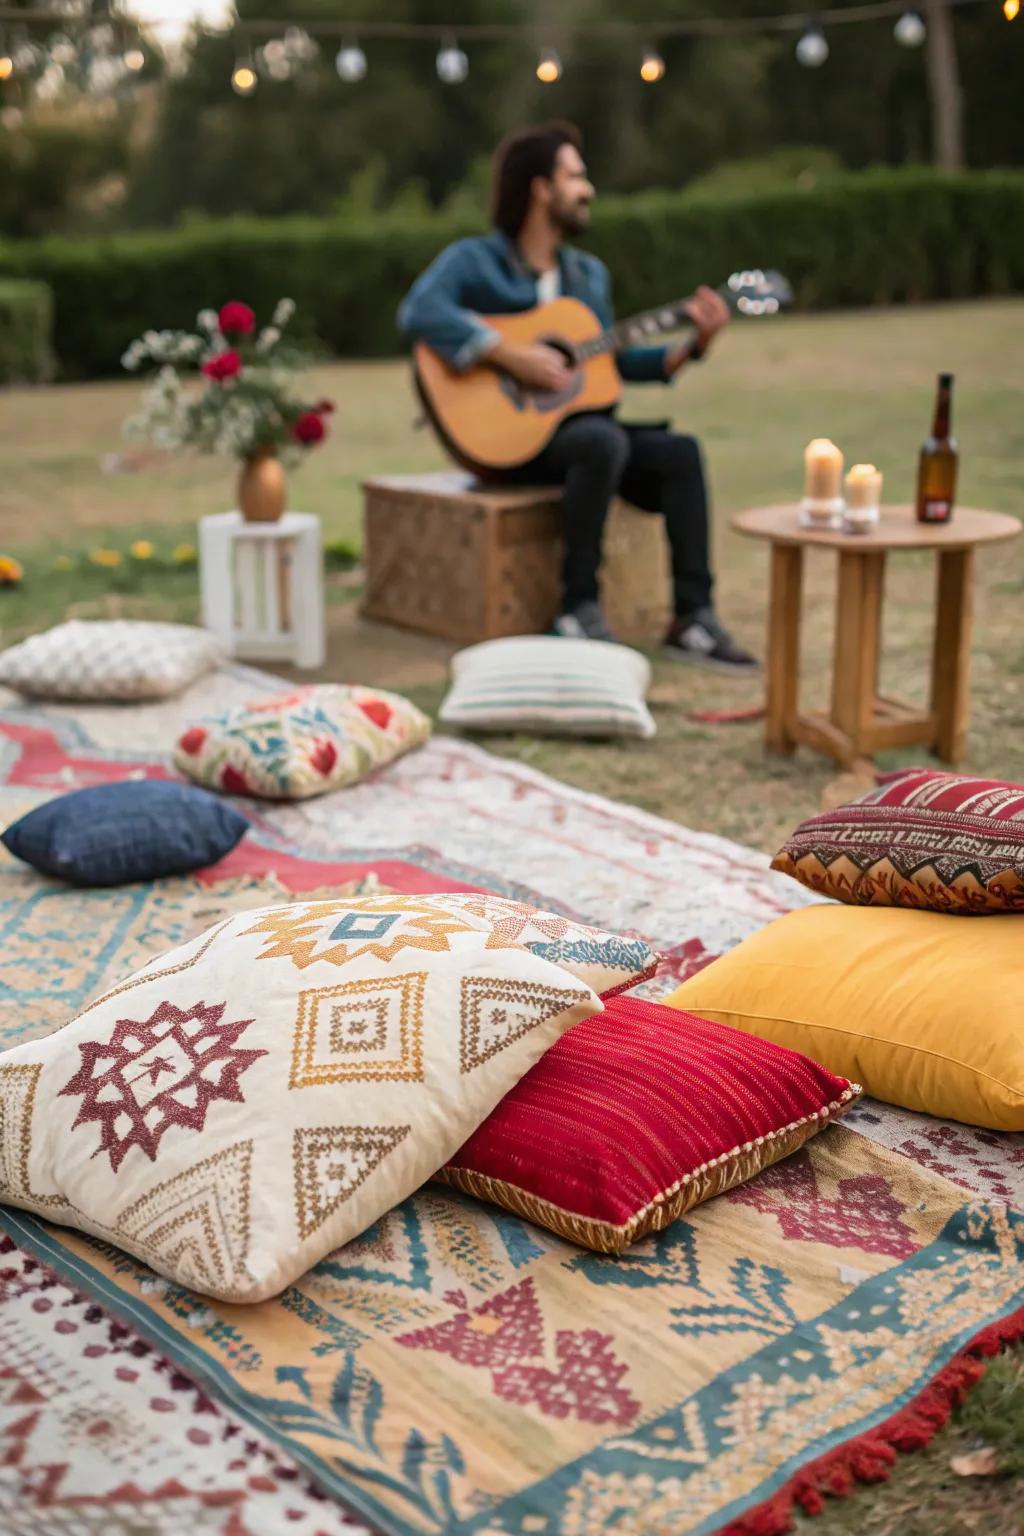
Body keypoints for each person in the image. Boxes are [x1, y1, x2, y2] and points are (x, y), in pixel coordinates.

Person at [397, 120, 757, 671]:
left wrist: (692, 346)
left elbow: (609, 364)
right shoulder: (475, 260)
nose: (588, 189)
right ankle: (577, 608)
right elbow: (420, 311)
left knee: (679, 454)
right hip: (509, 443)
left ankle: (693, 618)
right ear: (541, 188)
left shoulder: (588, 276)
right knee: (601, 439)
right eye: (575, 176)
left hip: (584, 442)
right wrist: (508, 354)